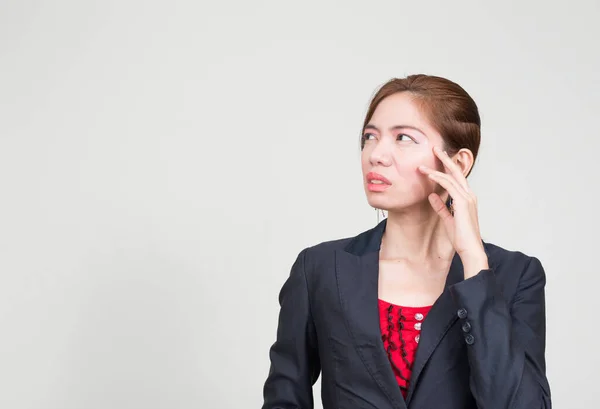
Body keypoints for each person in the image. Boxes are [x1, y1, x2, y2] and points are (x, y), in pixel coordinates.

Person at [261, 74, 551, 409]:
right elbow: (284, 398)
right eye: (369, 137)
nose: (376, 155)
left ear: (457, 163)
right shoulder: (320, 269)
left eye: (402, 138)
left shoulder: (516, 276)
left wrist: (474, 261)